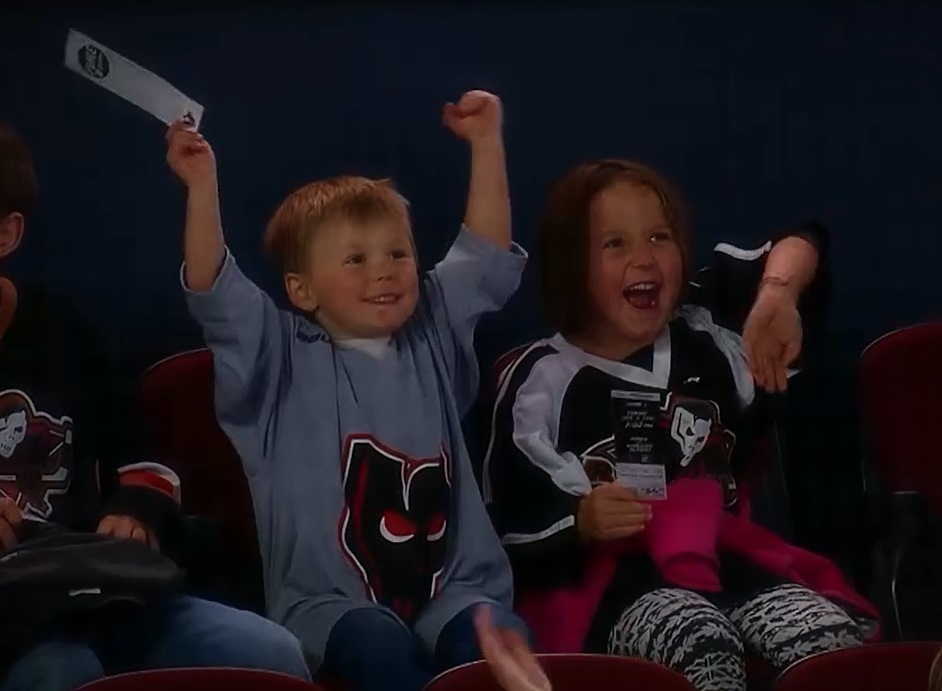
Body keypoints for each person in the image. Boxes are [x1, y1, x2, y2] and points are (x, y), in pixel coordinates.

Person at [166, 89, 531, 691]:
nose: (383, 270)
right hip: (331, 604)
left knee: (496, 646)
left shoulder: (431, 334)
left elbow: (483, 253)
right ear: (302, 290)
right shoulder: (277, 359)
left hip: (455, 587)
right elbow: (214, 294)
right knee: (378, 649)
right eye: (355, 260)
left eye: (396, 253)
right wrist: (202, 188)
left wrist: (487, 144)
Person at [483, 159, 880, 691]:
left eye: (658, 237)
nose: (643, 258)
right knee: (702, 643)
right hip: (613, 586)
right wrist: (582, 519)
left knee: (828, 644)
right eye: (614, 244)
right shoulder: (539, 378)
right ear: (571, 263)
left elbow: (801, 242)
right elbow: (509, 512)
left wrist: (777, 293)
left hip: (730, 563)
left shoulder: (709, 332)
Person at [0, 122, 311, 691]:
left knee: (274, 654)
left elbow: (145, 457)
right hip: (17, 626)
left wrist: (136, 510)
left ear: (8, 233)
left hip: (100, 587)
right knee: (64, 673)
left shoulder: (63, 331)